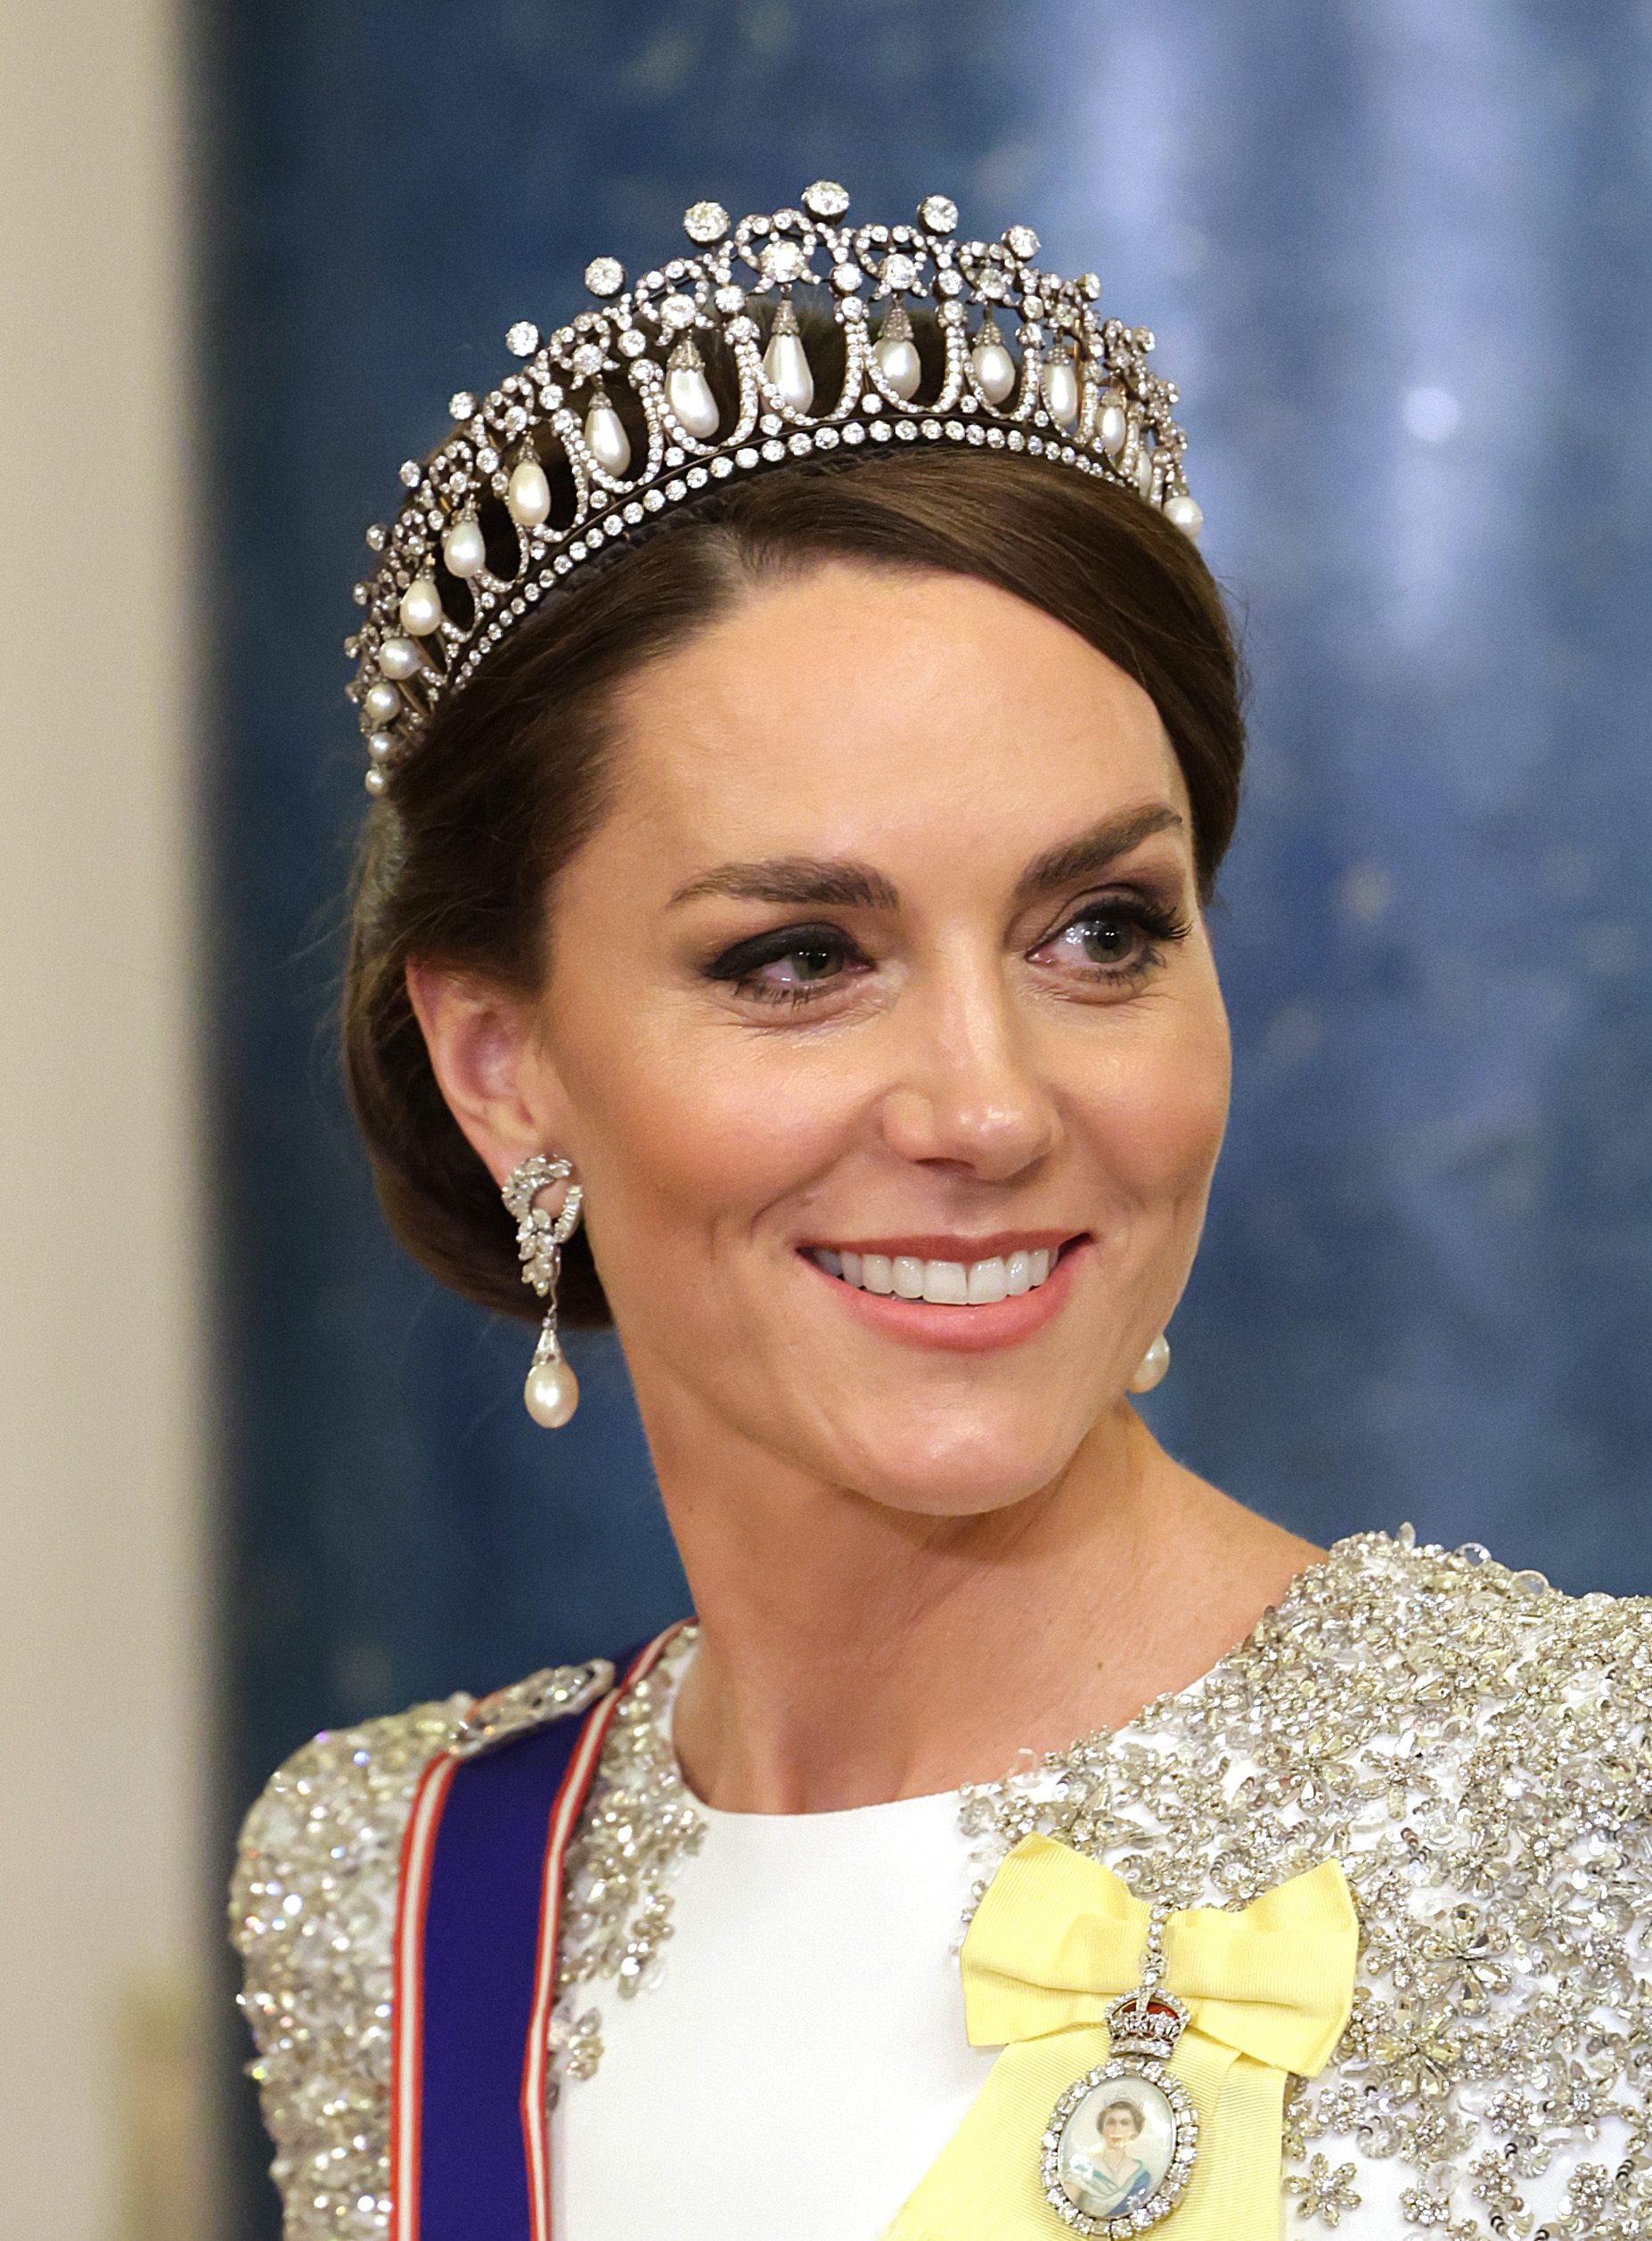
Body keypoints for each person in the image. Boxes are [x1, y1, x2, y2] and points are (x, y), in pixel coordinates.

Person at [232, 184, 1652, 2241]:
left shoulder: (1596, 1816)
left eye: (1098, 929)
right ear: (498, 1062)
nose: (987, 1106)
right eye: (797, 956)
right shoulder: (384, 1892)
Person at [1063, 2098, 1157, 2216]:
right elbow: (1065, 2208)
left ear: (1134, 2130)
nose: (1117, 2129)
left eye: (1125, 2123)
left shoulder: (1141, 2175)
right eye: (1111, 2122)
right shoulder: (1083, 2168)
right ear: (1102, 2128)